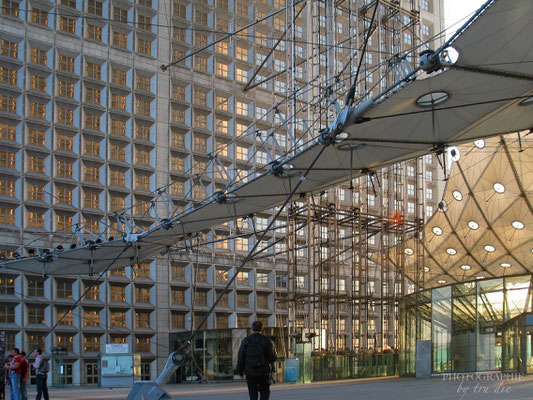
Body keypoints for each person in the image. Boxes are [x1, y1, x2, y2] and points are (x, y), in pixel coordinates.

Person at [236, 321, 277, 400]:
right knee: (264, 393)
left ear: (251, 329)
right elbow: (273, 357)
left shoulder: (245, 341)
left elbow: (240, 357)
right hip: (263, 371)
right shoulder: (267, 341)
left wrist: (240, 372)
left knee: (253, 394)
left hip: (250, 371)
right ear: (262, 329)